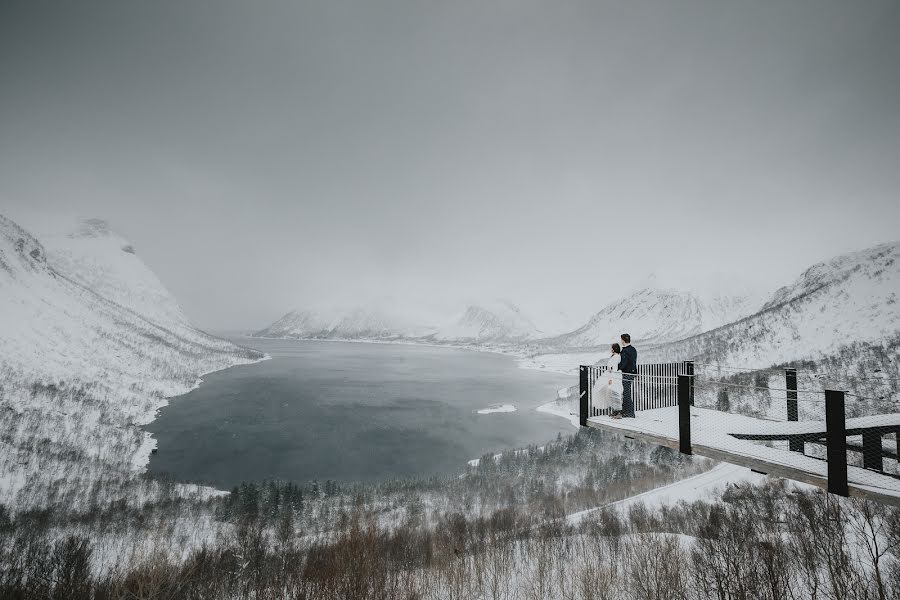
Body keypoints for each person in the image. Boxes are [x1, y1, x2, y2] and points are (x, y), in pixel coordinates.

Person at [596, 343, 623, 416]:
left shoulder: (616, 357)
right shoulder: (615, 356)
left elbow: (614, 368)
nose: (611, 349)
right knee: (611, 393)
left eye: (612, 348)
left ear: (614, 349)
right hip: (612, 376)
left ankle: (618, 412)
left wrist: (611, 379)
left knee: (615, 393)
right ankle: (615, 410)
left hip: (614, 377)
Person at [617, 333, 637, 418]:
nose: (620, 341)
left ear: (623, 341)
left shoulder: (625, 351)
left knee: (626, 393)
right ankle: (626, 411)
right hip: (632, 373)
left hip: (626, 374)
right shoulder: (633, 349)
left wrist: (616, 367)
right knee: (626, 392)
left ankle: (629, 412)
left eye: (621, 340)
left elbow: (623, 364)